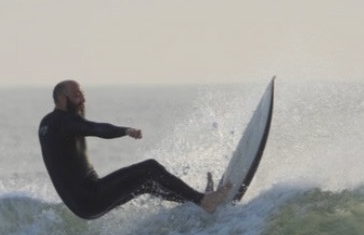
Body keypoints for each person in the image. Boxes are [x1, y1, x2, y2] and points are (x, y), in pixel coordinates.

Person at [38, 79, 233, 220]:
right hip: (91, 197)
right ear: (62, 99)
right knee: (150, 168)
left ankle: (198, 203)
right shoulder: (65, 122)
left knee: (147, 184)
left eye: (83, 95)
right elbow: (96, 128)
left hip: (82, 204)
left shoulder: (47, 124)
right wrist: (125, 130)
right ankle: (203, 201)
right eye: (77, 96)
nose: (82, 101)